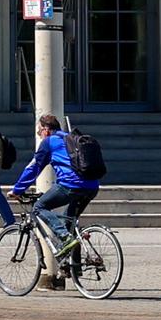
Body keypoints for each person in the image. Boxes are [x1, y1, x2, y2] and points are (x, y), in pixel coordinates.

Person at [10, 112, 99, 262]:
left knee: (39, 207)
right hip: (92, 186)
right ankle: (73, 268)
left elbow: (34, 168)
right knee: (69, 223)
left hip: (70, 185)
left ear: (46, 129)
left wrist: (17, 190)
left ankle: (64, 237)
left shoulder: (49, 142)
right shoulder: (71, 138)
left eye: (39, 131)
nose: (39, 135)